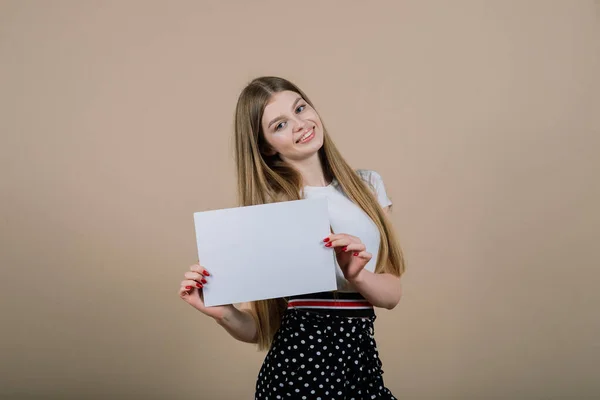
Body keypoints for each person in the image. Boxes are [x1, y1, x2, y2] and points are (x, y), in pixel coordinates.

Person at [179, 76, 406, 399]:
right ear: (266, 148)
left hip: (361, 364)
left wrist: (357, 275)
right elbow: (257, 326)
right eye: (281, 125)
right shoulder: (273, 209)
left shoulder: (367, 186)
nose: (300, 124)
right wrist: (222, 312)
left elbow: (392, 293)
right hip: (297, 370)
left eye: (300, 108)